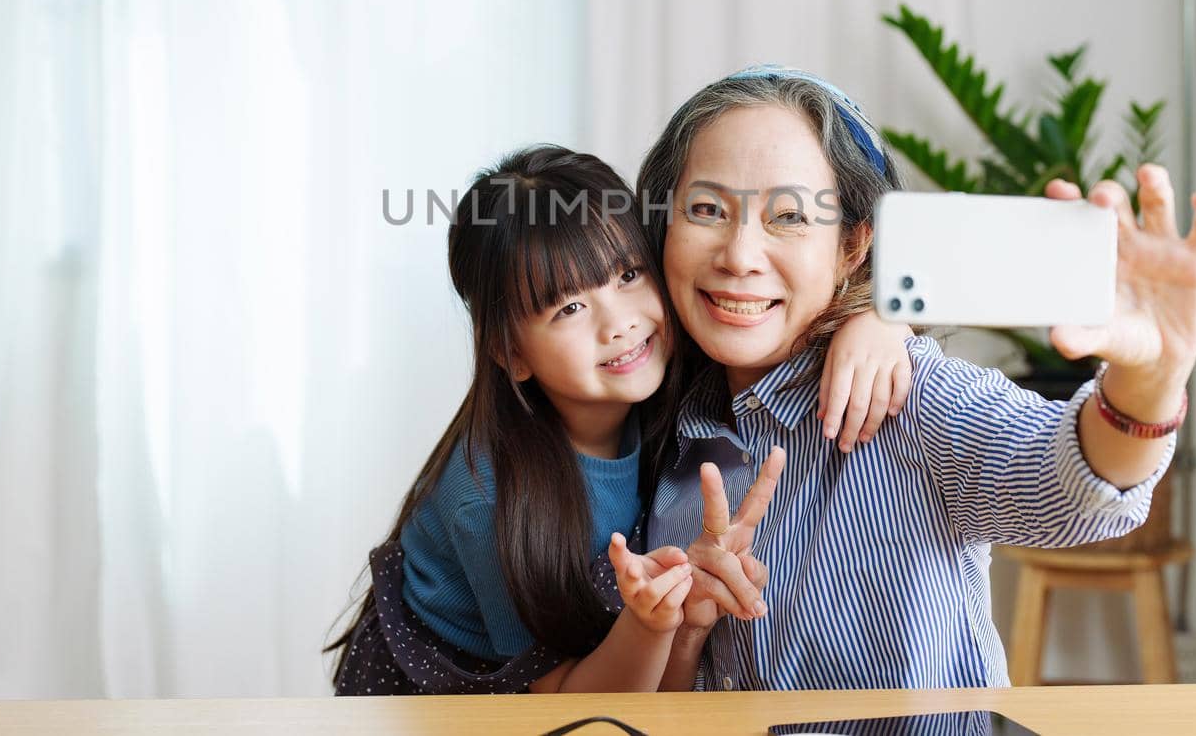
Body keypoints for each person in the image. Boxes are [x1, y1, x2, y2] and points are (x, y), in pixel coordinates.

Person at [637, 67, 1196, 690]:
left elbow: (1070, 490)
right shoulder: (658, 420)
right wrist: (684, 630)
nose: (738, 254)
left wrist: (1153, 377)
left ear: (853, 247)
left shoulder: (906, 394)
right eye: (706, 209)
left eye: (788, 216)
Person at [327, 144, 915, 694]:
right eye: (570, 307)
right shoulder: (487, 500)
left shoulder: (669, 364)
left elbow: (796, 325)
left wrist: (879, 323)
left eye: (629, 275)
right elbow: (567, 708)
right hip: (473, 700)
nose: (619, 323)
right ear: (512, 354)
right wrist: (651, 626)